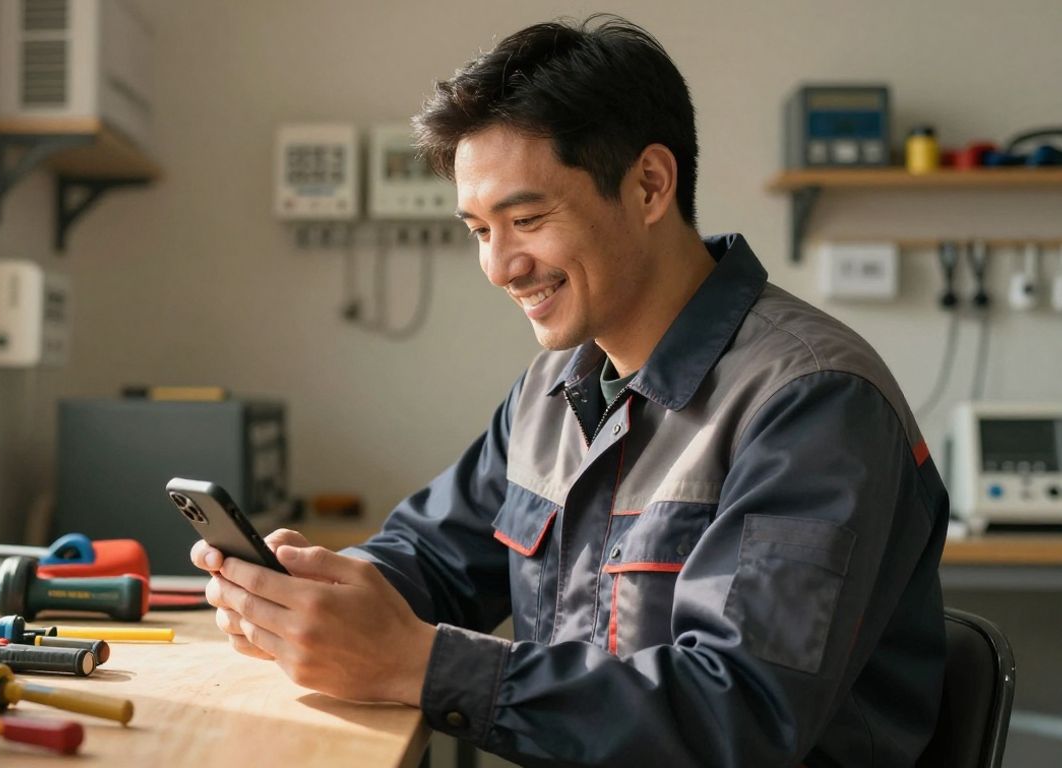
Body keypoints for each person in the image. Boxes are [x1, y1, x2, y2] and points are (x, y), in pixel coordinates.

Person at [191, 15, 948, 767]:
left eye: (526, 219)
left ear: (650, 184)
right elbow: (433, 555)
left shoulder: (812, 401)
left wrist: (415, 663)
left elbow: (736, 718)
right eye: (480, 230)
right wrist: (318, 596)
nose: (499, 268)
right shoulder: (554, 387)